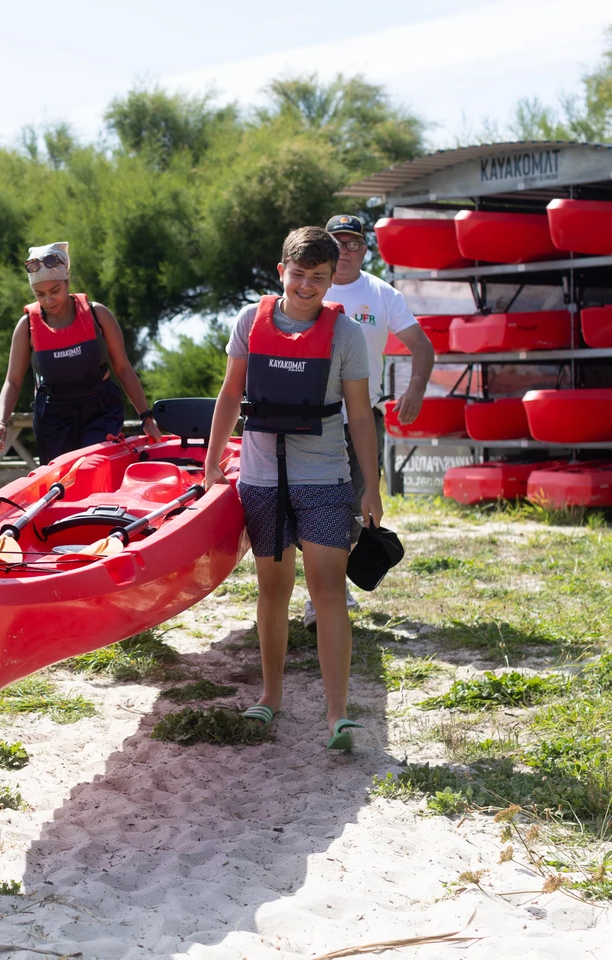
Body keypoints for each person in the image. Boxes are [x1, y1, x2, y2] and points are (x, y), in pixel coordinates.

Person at [202, 227, 382, 751]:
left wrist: (370, 486)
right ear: (282, 272)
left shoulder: (345, 335)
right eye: (299, 275)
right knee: (273, 591)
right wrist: (213, 462)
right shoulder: (247, 322)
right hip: (261, 479)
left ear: (332, 282)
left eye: (319, 279)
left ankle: (337, 715)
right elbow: (230, 393)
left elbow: (361, 417)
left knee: (329, 591)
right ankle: (271, 697)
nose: (307, 286)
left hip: (326, 478)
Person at [304, 214, 436, 632]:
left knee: (355, 506)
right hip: (309, 419)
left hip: (362, 419)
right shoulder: (308, 288)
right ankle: (319, 596)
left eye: (353, 244)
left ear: (365, 249)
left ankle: (331, 590)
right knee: (318, 506)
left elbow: (422, 347)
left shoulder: (381, 293)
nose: (345, 250)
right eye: (337, 242)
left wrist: (414, 390)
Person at [0, 242, 163, 462]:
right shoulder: (26, 326)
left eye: (55, 291)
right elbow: (13, 381)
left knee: (93, 466)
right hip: (53, 416)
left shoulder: (97, 314)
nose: (48, 300)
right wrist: (0, 422)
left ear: (67, 282)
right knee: (62, 481)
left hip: (101, 410)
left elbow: (123, 367)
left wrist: (145, 416)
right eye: (39, 294)